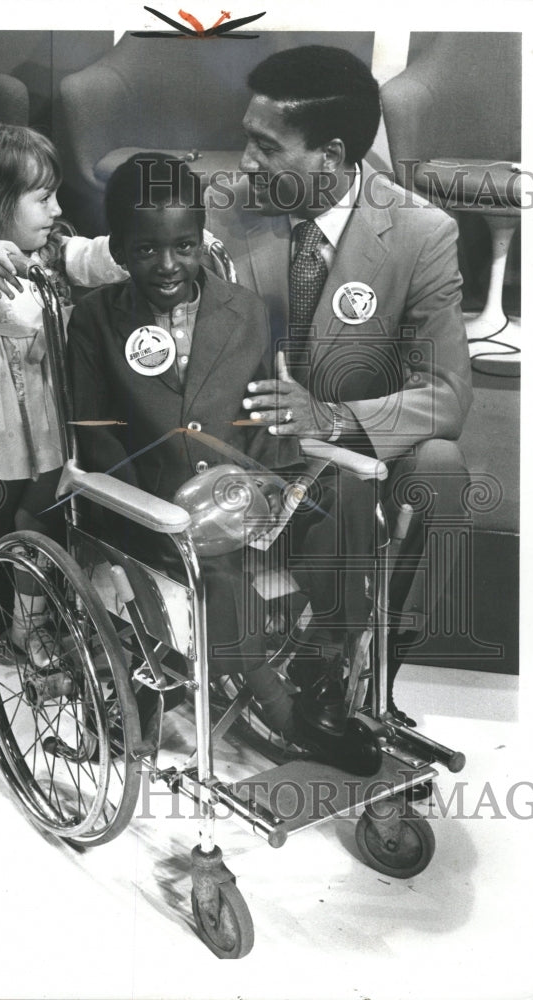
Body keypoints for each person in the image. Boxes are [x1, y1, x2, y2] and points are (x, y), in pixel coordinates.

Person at [206, 45, 473, 725]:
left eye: (265, 146)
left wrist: (328, 416)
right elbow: (123, 262)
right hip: (247, 452)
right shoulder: (223, 209)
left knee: (440, 469)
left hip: (349, 446)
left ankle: (377, 673)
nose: (245, 162)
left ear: (330, 154)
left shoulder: (422, 231)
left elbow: (447, 393)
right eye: (245, 138)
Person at [66, 152, 345, 755]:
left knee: (337, 522)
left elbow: (261, 417)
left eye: (185, 246)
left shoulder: (247, 311)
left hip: (240, 491)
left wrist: (279, 490)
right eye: (146, 250)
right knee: (211, 568)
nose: (168, 265)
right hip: (147, 509)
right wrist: (158, 510)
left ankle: (330, 676)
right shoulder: (93, 321)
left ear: (202, 240)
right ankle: (285, 712)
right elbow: (97, 434)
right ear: (118, 249)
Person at [0, 123, 126, 678]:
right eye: (43, 197)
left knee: (42, 516)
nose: (57, 208)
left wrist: (136, 239)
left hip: (50, 421)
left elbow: (95, 257)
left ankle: (28, 623)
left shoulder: (54, 252)